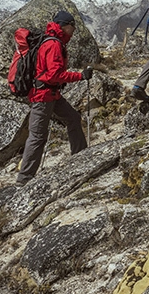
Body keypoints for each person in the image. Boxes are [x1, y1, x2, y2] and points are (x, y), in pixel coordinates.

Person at [16, 10, 92, 185]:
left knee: (72, 118)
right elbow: (54, 75)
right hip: (43, 96)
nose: (73, 30)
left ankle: (80, 156)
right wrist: (80, 76)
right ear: (64, 26)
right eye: (72, 26)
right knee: (37, 136)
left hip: (51, 94)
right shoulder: (54, 45)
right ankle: (24, 179)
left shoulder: (51, 42)